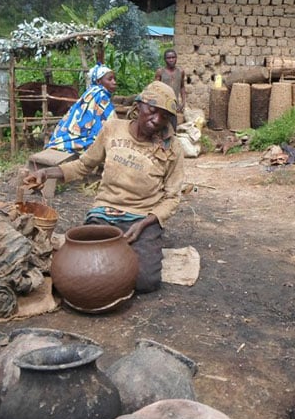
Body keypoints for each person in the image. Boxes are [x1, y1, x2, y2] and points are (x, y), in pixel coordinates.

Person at [24, 81, 184, 293]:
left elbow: (173, 197)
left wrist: (146, 223)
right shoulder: (112, 129)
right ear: (139, 106)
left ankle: (139, 246)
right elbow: (83, 165)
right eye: (153, 111)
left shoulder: (172, 147)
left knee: (145, 281)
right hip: (104, 213)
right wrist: (47, 173)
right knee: (83, 270)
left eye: (164, 116)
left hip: (142, 218)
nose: (157, 120)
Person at [45, 63, 116, 153]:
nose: (114, 82)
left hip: (70, 132)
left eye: (114, 79)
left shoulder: (89, 92)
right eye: (110, 79)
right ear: (98, 82)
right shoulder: (101, 95)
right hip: (85, 135)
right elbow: (110, 120)